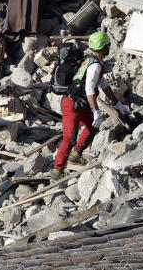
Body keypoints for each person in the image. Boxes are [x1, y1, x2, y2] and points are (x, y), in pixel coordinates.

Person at [53, 32, 130, 175]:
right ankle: (57, 170)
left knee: (91, 127)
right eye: (107, 45)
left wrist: (117, 103)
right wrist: (96, 112)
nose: (109, 47)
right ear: (102, 47)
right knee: (69, 139)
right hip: (71, 104)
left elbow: (104, 85)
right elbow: (89, 89)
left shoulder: (93, 60)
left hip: (80, 103)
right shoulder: (94, 66)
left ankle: (76, 155)